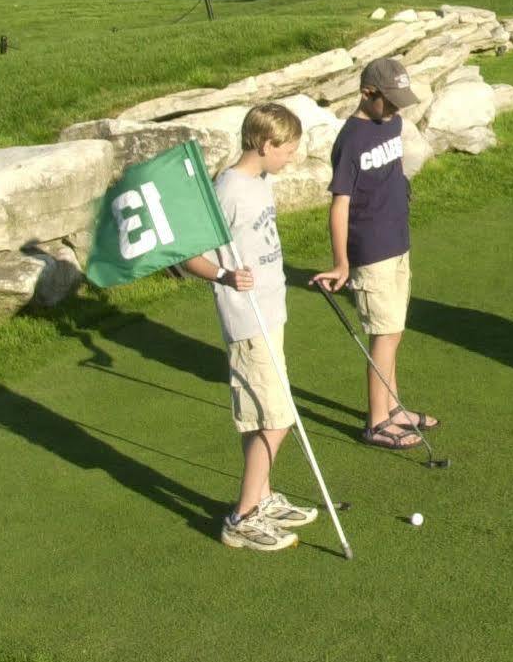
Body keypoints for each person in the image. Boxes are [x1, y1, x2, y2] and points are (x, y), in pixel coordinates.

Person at [181, 102, 320, 551]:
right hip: (246, 319)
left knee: (265, 414)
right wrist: (223, 275)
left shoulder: (260, 181)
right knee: (276, 418)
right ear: (265, 144)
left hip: (270, 311)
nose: (291, 158)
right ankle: (241, 517)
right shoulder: (229, 191)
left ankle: (259, 498)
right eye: (288, 150)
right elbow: (188, 255)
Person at [311, 56, 436, 448]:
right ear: (368, 93)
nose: (397, 109)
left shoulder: (392, 122)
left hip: (398, 240)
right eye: (391, 100)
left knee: (394, 330)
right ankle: (377, 422)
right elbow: (340, 204)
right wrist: (341, 261)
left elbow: (392, 172)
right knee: (385, 334)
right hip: (370, 248)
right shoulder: (351, 140)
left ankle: (394, 407)